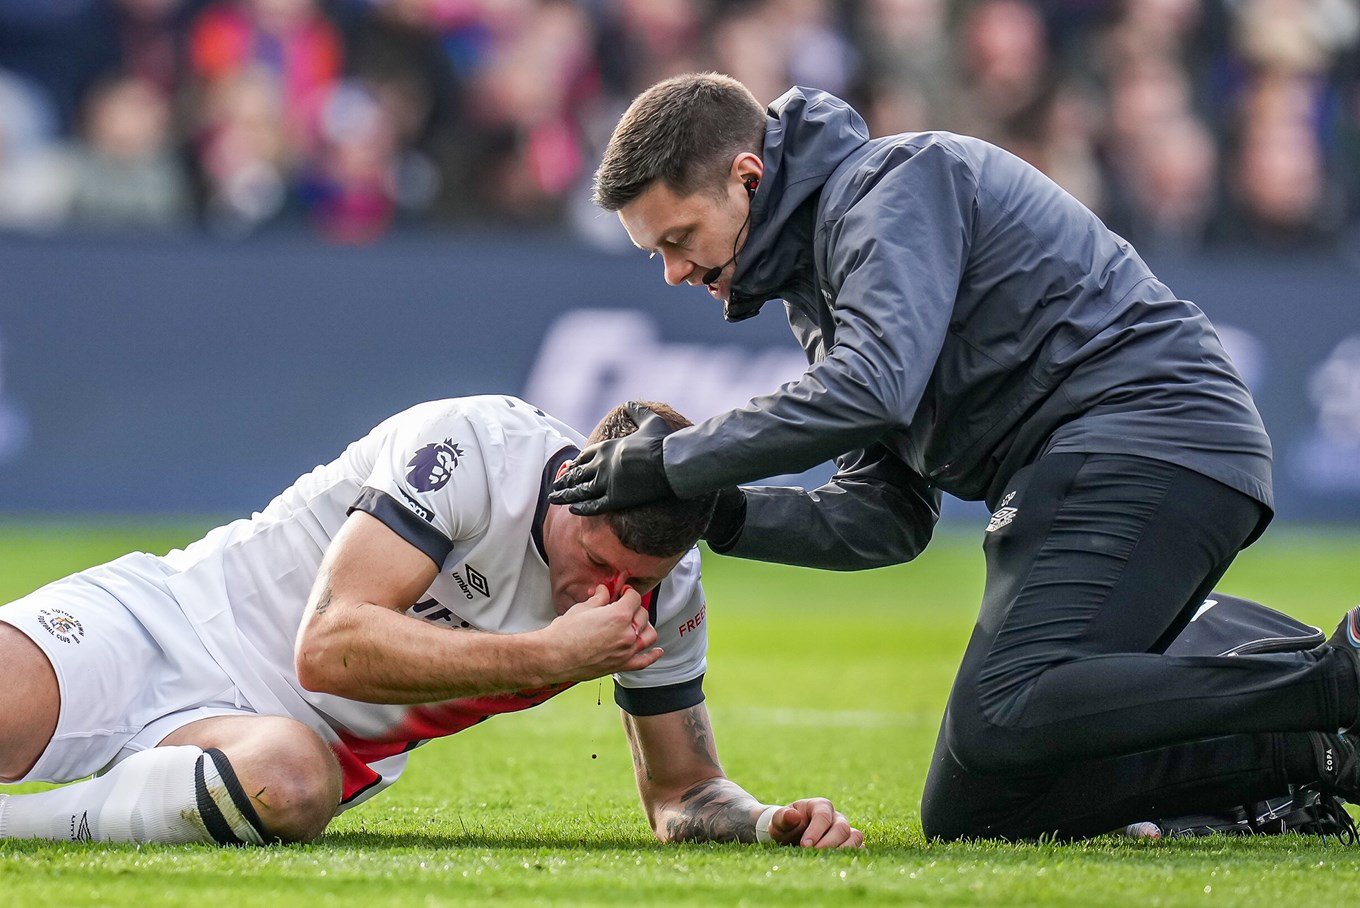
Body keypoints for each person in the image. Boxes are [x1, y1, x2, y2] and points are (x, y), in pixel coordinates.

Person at [549, 72, 1360, 840]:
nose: (674, 272)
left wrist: (678, 461)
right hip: (1097, 459)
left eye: (681, 238)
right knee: (977, 802)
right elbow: (887, 517)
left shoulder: (897, 184)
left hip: (1144, 432)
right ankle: (1309, 758)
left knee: (1004, 711)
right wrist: (722, 513)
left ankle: (1338, 678)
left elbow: (873, 389)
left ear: (749, 176)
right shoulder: (819, 284)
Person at [0, 396, 862, 849]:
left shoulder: (665, 589)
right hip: (173, 619)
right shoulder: (475, 447)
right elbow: (329, 643)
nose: (612, 596)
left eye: (642, 582)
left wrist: (759, 820)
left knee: (291, 787)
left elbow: (680, 793)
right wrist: (543, 653)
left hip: (275, 739)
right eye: (598, 565)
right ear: (572, 491)